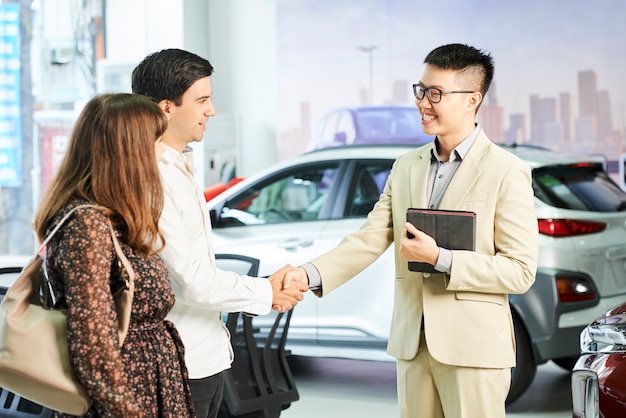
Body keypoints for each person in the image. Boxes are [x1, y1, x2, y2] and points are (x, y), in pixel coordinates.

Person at [285, 43, 539, 418]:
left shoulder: (506, 171)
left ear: (472, 99)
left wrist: (441, 259)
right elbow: (369, 237)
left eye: (436, 93)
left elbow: (519, 271)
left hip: (474, 349)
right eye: (420, 90)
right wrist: (306, 275)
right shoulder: (406, 165)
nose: (423, 102)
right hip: (412, 344)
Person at [131, 48, 308, 418]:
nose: (211, 110)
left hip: (204, 358)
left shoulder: (179, 163)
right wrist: (267, 292)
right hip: (179, 367)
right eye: (202, 100)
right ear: (167, 106)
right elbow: (191, 282)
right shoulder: (153, 177)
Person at [33, 93, 195, 417]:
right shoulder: (86, 225)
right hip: (125, 400)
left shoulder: (113, 216)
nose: (163, 152)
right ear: (128, 153)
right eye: (158, 141)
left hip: (146, 387)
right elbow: (93, 346)